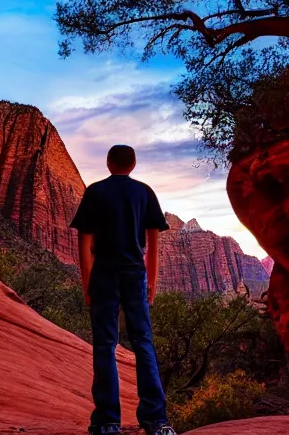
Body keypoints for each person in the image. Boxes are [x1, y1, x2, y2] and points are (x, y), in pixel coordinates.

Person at [70, 145, 176, 435]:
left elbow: (84, 242)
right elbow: (153, 242)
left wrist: (86, 282)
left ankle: (107, 422)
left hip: (103, 274)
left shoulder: (95, 192)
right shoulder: (144, 192)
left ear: (108, 163)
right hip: (134, 274)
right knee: (143, 343)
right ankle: (156, 420)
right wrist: (151, 281)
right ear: (133, 164)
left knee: (104, 346)